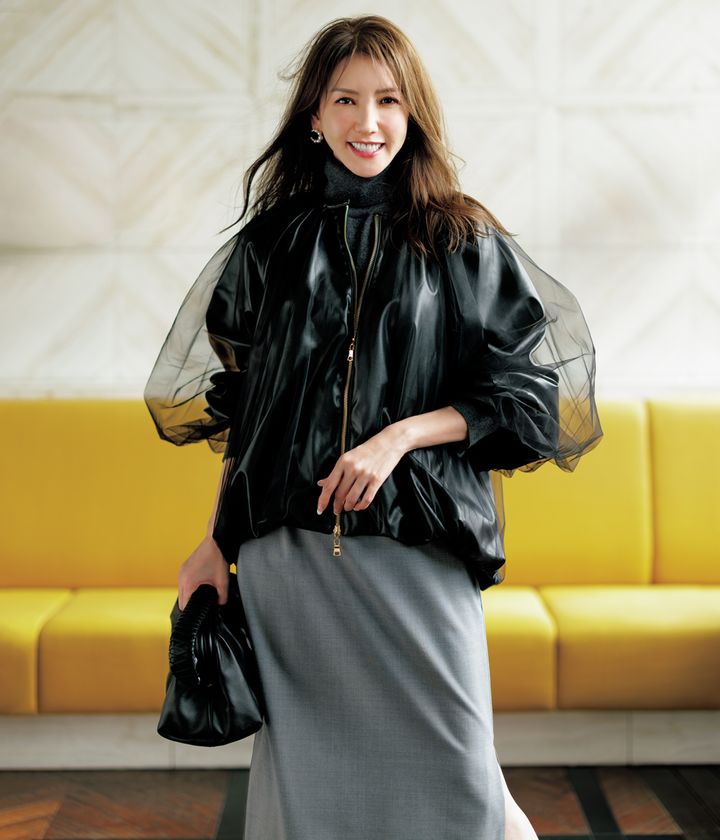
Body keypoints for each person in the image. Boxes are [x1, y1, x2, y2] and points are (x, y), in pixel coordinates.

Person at [144, 14, 602, 840]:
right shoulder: (271, 246)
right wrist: (214, 541)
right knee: (309, 797)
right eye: (345, 99)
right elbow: (249, 412)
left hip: (417, 548)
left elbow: (526, 396)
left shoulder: (461, 236)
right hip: (288, 558)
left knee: (462, 780)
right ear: (314, 116)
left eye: (388, 99)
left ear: (412, 111)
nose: (368, 121)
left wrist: (398, 438)